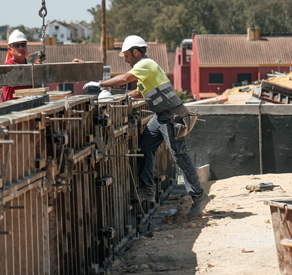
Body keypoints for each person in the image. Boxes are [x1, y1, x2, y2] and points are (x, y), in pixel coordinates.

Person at [89, 35, 210, 218]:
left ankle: (198, 197)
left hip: (172, 117)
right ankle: (147, 189)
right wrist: (123, 97)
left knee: (180, 157)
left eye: (127, 56)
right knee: (145, 147)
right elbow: (139, 91)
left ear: (136, 52)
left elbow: (124, 78)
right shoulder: (145, 69)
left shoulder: (145, 64)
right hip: (160, 117)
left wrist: (100, 84)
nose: (126, 60)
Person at [1, 30, 39, 103]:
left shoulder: (30, 65)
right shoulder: (8, 66)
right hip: (10, 109)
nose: (21, 48)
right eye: (16, 45)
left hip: (27, 107)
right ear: (10, 49)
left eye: (23, 44)